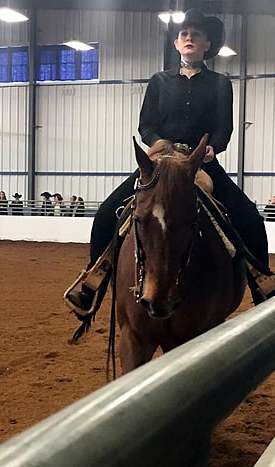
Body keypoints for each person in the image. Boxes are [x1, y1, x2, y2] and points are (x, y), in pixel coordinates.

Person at [66, 8, 275, 314]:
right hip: (160, 162)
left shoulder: (220, 84)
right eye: (184, 35)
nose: (189, 38)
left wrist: (212, 148)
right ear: (177, 44)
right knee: (106, 214)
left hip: (199, 163)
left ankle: (263, 285)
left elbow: (223, 129)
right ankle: (93, 281)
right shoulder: (158, 81)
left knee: (250, 220)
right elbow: (146, 125)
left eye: (197, 35)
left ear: (207, 45)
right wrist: (159, 145)